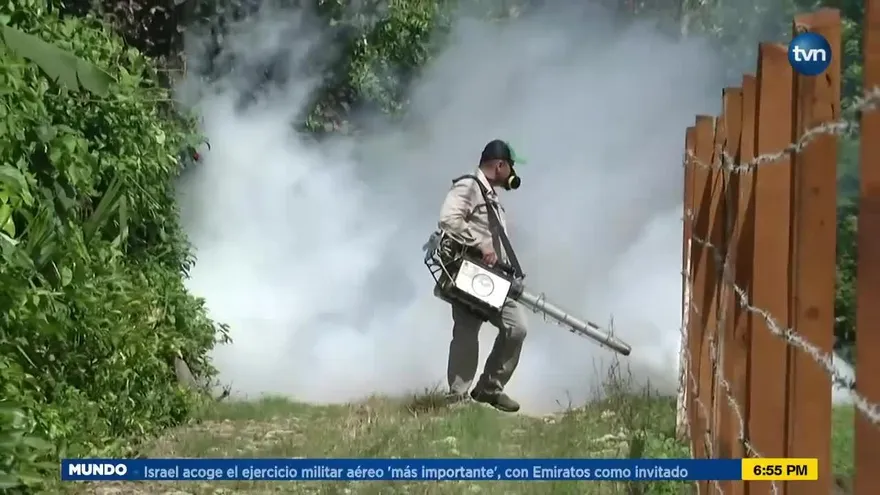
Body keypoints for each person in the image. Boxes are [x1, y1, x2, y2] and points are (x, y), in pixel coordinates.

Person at [436, 139, 528, 413]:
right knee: (467, 331)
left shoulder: (489, 194)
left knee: (516, 328)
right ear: (500, 165)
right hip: (469, 273)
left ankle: (489, 387)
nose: (512, 172)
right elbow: (448, 220)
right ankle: (457, 397)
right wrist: (480, 244)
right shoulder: (468, 186)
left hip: (486, 276)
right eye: (510, 166)